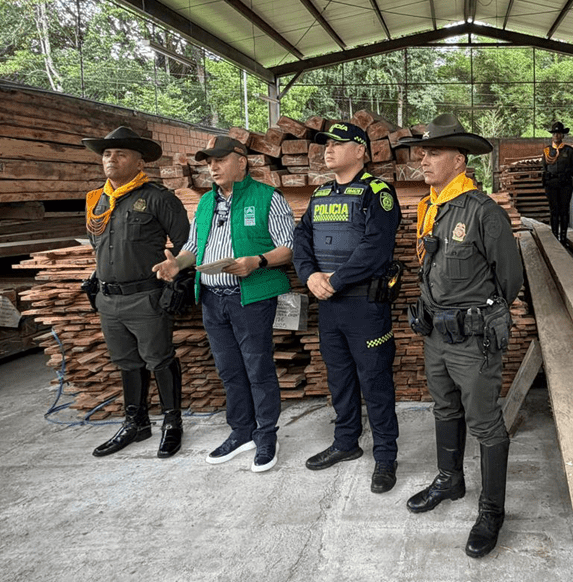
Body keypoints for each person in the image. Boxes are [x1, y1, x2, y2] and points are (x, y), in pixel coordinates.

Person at [397, 114, 523, 559]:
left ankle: (492, 511)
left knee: (485, 423)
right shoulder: (430, 207)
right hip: (435, 333)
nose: (423, 160)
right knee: (444, 407)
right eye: (422, 153)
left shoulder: (482, 211)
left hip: (473, 340)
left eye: (433, 153)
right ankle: (450, 480)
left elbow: (510, 279)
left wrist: (477, 316)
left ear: (459, 160)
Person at [153, 135, 294, 473]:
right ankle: (242, 432)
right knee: (229, 370)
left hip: (250, 299)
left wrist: (256, 261)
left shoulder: (268, 198)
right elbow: (194, 247)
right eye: (209, 162)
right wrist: (177, 265)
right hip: (212, 300)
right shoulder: (205, 202)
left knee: (258, 369)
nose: (212, 167)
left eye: (220, 160)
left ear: (241, 162)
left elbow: (288, 247)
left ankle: (266, 435)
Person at [292, 123, 402, 493]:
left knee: (375, 380)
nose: (328, 149)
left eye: (338, 144)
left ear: (360, 151)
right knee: (339, 378)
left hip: (364, 305)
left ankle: (385, 456)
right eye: (326, 144)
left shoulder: (377, 192)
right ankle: (345, 442)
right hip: (329, 306)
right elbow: (301, 237)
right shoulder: (320, 194)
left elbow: (376, 248)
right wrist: (309, 276)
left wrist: (335, 280)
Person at [83, 127, 190, 459]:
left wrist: (177, 280)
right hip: (109, 299)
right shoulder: (97, 201)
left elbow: (188, 243)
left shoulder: (158, 198)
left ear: (139, 162)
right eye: (107, 154)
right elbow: (99, 247)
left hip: (146, 297)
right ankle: (136, 423)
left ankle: (172, 423)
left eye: (121, 154)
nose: (111, 159)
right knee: (126, 362)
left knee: (160, 359)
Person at [541, 121, 573, 245]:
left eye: (559, 133)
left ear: (563, 135)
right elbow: (544, 167)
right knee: (554, 211)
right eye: (554, 133)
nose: (556, 135)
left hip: (565, 184)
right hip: (551, 184)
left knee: (564, 211)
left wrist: (564, 175)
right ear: (552, 135)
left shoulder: (569, 150)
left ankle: (563, 238)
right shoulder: (547, 151)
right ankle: (555, 236)